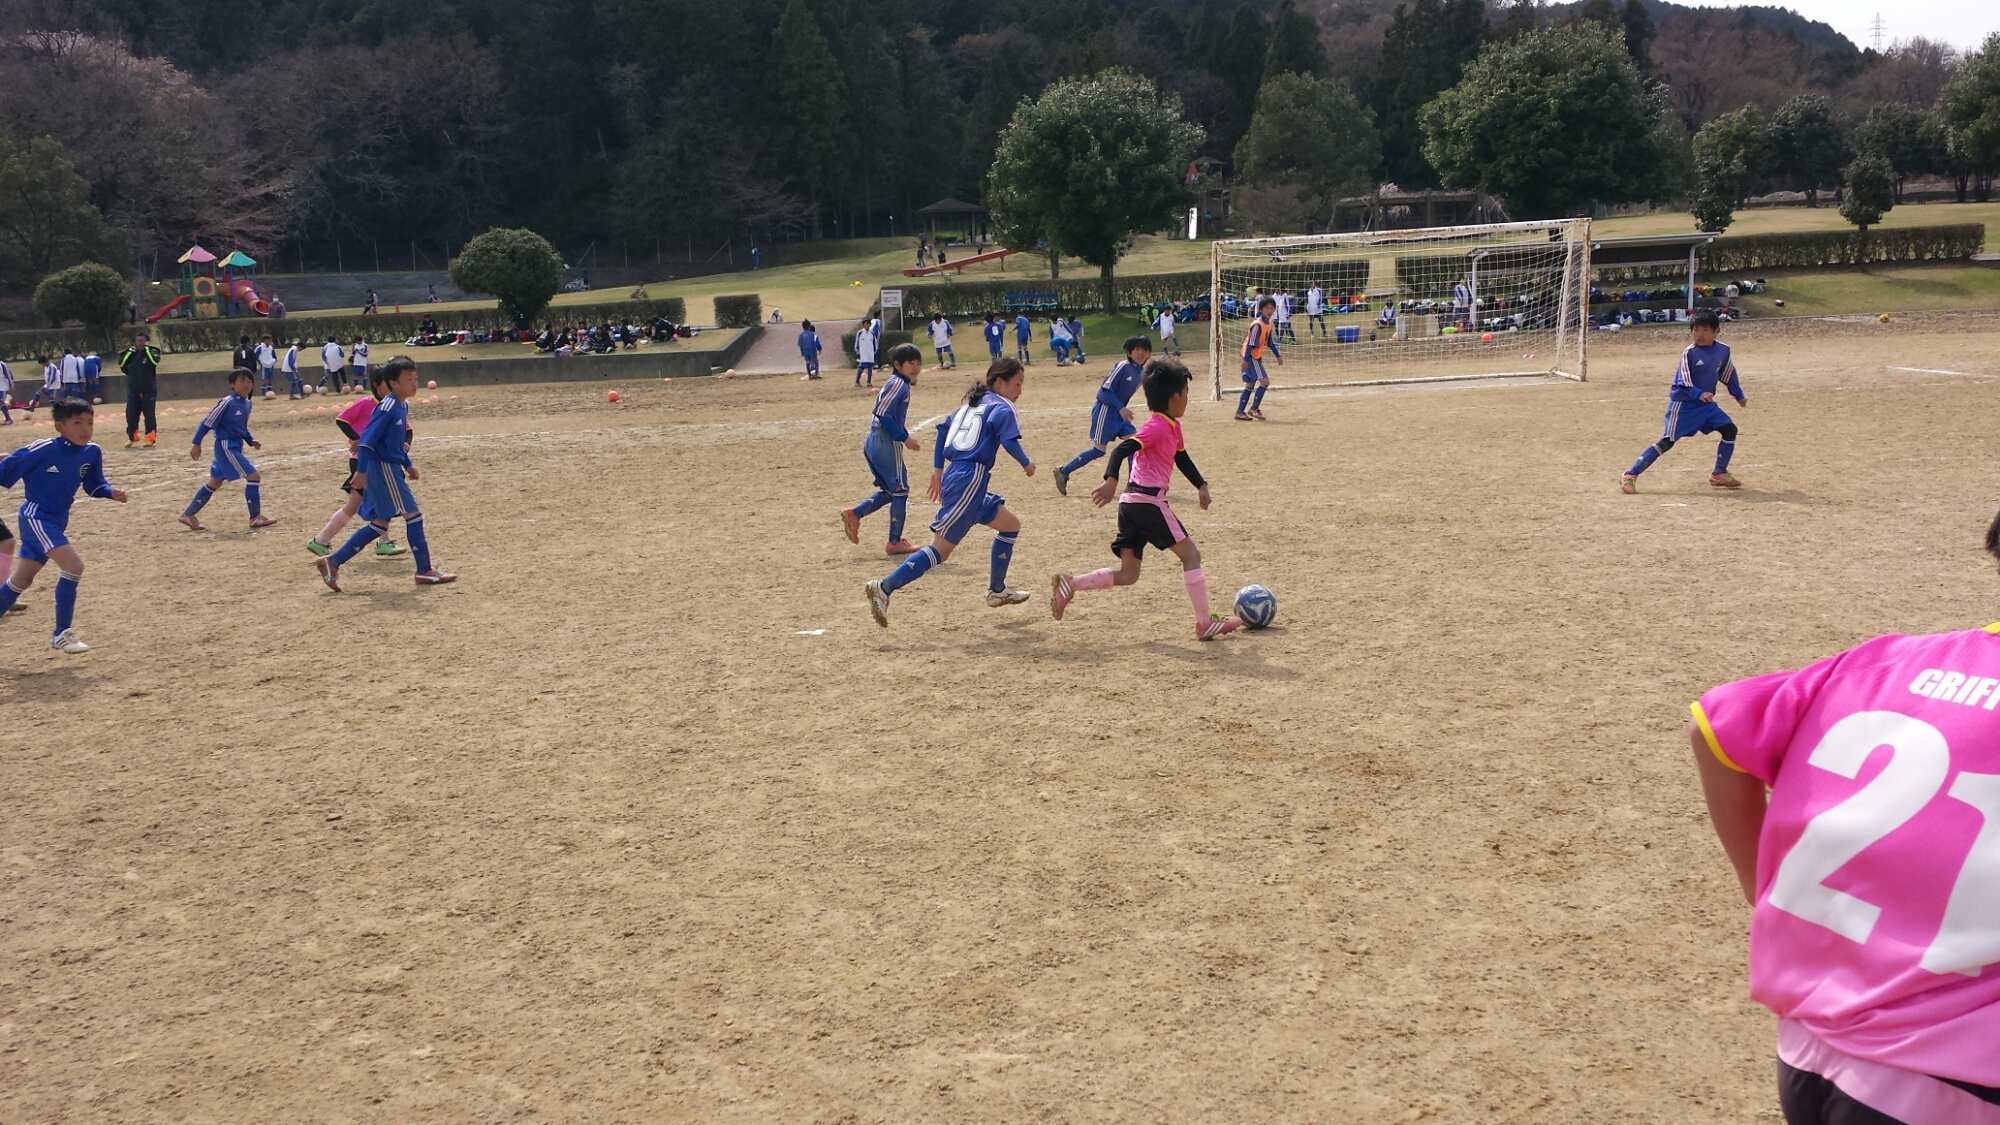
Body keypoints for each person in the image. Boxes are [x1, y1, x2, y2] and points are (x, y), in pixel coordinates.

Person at [1687, 525, 2000, 1123]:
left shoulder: (1886, 661)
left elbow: (1714, 725)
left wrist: (1762, 889)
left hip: (1811, 1046)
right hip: (1953, 1074)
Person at [1050, 359, 1241, 642]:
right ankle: (1204, 623)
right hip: (1148, 502)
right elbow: (1120, 450)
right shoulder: (1156, 428)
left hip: (1131, 504)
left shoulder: (1172, 427)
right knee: (1191, 556)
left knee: (1129, 574)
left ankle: (1071, 583)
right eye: (1186, 394)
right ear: (1173, 398)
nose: (1187, 399)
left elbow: (1181, 457)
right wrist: (1110, 479)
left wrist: (1201, 484)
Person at [864, 357, 1036, 626]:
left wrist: (938, 471)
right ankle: (883, 587)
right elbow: (1009, 441)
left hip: (962, 477)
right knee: (940, 551)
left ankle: (997, 590)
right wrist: (1026, 463)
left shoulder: (969, 406)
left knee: (1010, 525)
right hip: (970, 479)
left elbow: (943, 431)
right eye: (1017, 384)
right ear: (1000, 383)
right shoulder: (1003, 406)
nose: (1020, 391)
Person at [0, 399, 129, 653]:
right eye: (78, 423)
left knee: (22, 579)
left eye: (90, 422)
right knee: (73, 566)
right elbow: (6, 472)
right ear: (60, 427)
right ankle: (62, 632)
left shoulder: (92, 452)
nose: (86, 429)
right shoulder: (43, 449)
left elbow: (94, 484)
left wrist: (110, 492)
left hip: (57, 521)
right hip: (36, 517)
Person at [315, 357, 456, 590]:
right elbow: (367, 440)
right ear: (393, 383)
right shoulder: (388, 406)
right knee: (413, 516)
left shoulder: (402, 405)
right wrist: (361, 472)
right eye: (408, 379)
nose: (414, 383)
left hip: (387, 466)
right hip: (383, 468)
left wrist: (407, 463)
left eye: (415, 378)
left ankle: (333, 562)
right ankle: (424, 571)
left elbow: (394, 443)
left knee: (380, 523)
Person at [1621, 310, 1745, 493]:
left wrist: (1738, 394)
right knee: (1667, 442)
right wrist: (1698, 393)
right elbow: (1683, 381)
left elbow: (1728, 374)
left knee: (1730, 430)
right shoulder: (1689, 353)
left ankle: (1719, 473)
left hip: (1706, 406)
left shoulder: (1723, 351)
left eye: (1705, 330)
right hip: (1683, 406)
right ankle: (1630, 474)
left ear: (1717, 331)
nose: (1700, 334)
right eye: (1696, 330)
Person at [307, 369, 407, 561]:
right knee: (375, 501)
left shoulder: (395, 406)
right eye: (388, 382)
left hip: (379, 461)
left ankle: (322, 540)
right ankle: (379, 542)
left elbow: (407, 429)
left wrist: (406, 443)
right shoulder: (366, 404)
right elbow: (341, 419)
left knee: (361, 504)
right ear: (377, 384)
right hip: (363, 461)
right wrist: (357, 438)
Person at [840, 342, 924, 557]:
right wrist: (904, 438)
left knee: (890, 491)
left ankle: (855, 514)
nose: (916, 368)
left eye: (918, 363)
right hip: (884, 442)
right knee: (900, 490)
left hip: (876, 441)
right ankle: (894, 542)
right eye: (911, 363)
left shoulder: (897, 383)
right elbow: (883, 414)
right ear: (897, 365)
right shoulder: (899, 384)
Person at [179, 369, 277, 532]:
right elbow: (206, 422)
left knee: (215, 482)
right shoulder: (227, 402)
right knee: (253, 477)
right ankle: (255, 517)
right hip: (226, 446)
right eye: (242, 381)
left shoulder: (247, 404)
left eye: (249, 381)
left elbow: (241, 428)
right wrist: (197, 443)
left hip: (235, 445)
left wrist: (250, 440)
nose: (246, 384)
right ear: (232, 384)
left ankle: (188, 515)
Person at [1054, 335, 1149, 497]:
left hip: (1119, 413)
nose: (1141, 353)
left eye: (1144, 350)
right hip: (1106, 410)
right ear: (1129, 352)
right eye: (1137, 349)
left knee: (1134, 443)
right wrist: (1120, 408)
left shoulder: (1141, 372)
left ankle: (1133, 483)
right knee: (1099, 450)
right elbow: (1104, 391)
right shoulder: (1123, 366)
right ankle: (1063, 471)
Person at [1236, 295, 1281, 422]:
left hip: (1256, 357)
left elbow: (1270, 343)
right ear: (1261, 309)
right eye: (1267, 308)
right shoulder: (1257, 324)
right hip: (1251, 357)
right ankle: (1254, 409)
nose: (1270, 310)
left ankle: (1240, 412)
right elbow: (1250, 343)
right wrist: (1245, 360)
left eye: (1272, 308)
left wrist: (1278, 356)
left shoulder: (1268, 324)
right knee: (1265, 382)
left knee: (1250, 385)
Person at [118, 334, 161, 446]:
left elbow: (154, 361)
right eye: (138, 340)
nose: (140, 343)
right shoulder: (131, 353)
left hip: (148, 390)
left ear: (147, 341)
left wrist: (147, 349)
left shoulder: (152, 351)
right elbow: (122, 364)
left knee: (149, 414)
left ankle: (149, 438)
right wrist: (129, 353)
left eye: (142, 341)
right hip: (133, 389)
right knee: (131, 414)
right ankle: (132, 436)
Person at [854, 320, 879, 388]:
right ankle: (857, 381)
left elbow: (875, 344)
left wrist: (875, 352)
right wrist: (857, 352)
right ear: (863, 325)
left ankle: (868, 382)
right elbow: (857, 343)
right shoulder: (860, 333)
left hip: (870, 353)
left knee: (870, 367)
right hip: (862, 353)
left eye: (868, 324)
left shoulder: (872, 333)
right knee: (861, 367)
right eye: (865, 324)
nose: (866, 326)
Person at [0, 357, 13, 425]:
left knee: (1, 402)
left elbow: (8, 374)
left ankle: (9, 419)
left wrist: (11, 384)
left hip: (2, 386)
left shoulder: (2, 364)